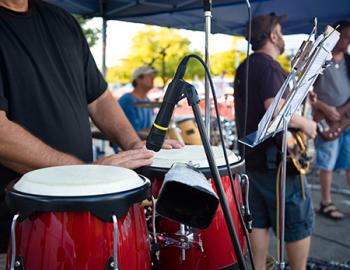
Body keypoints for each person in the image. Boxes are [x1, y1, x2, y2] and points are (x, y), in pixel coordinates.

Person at [0, 0, 181, 253]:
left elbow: (99, 98)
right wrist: (86, 171)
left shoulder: (62, 21)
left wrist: (134, 144)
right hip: (17, 226)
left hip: (82, 214)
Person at [234, 14, 317, 270]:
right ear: (272, 35)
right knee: (297, 222)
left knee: (258, 221)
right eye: (279, 30)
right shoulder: (268, 65)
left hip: (253, 160)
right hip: (277, 161)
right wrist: (307, 125)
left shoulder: (246, 66)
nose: (281, 35)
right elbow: (276, 110)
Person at [311, 20, 350, 220]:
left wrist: (340, 113)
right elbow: (308, 92)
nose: (346, 42)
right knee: (326, 162)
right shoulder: (320, 59)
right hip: (325, 120)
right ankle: (326, 202)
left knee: (348, 161)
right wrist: (325, 109)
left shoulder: (348, 61)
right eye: (343, 37)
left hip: (345, 120)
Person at [119, 66, 157, 139]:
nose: (153, 78)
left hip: (145, 144)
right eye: (149, 76)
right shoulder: (126, 100)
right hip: (131, 145)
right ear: (138, 79)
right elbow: (132, 132)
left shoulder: (148, 100)